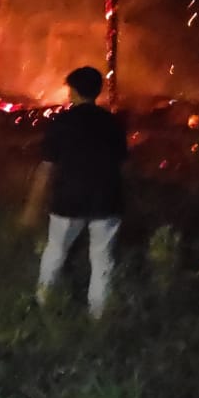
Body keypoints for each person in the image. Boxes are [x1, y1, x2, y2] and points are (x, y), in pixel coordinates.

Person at [21, 66, 128, 316]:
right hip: (106, 200)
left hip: (68, 200)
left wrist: (32, 207)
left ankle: (45, 305)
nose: (68, 94)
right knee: (103, 262)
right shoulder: (112, 123)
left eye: (70, 89)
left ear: (75, 91)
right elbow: (124, 167)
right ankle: (98, 317)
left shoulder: (61, 122)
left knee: (55, 251)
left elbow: (47, 169)